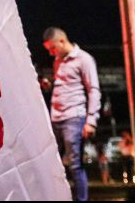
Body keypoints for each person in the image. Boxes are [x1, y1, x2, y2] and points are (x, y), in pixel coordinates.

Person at [43, 27, 101, 202]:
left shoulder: (84, 59)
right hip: (56, 118)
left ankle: (81, 199)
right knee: (53, 163)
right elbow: (65, 86)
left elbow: (93, 90)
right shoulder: (58, 61)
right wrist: (49, 86)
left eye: (53, 48)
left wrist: (91, 120)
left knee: (75, 165)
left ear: (61, 41)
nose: (52, 53)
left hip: (74, 118)